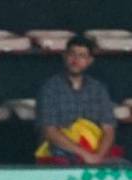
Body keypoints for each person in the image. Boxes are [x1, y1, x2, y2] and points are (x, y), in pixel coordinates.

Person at [35, 34, 123, 166]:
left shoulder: (98, 89)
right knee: (62, 159)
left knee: (123, 168)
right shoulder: (50, 88)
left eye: (82, 56)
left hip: (94, 152)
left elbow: (108, 129)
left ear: (90, 60)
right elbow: (50, 131)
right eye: (72, 54)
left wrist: (98, 156)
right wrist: (84, 154)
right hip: (60, 153)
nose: (75, 60)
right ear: (64, 56)